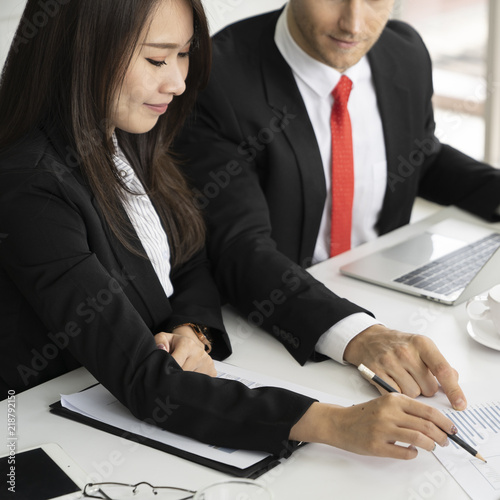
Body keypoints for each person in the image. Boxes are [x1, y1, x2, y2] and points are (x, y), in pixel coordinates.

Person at [0, 0, 459, 461]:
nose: (178, 82)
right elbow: (145, 382)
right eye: (157, 59)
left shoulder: (126, 132)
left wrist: (190, 328)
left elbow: (191, 256)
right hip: (49, 436)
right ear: (80, 53)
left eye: (183, 54)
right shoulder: (30, 185)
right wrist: (334, 421)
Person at [175, 0, 500, 411]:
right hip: (279, 325)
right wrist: (361, 336)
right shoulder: (216, 76)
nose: (354, 23)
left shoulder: (404, 50)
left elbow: (422, 156)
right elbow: (240, 248)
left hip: (393, 296)